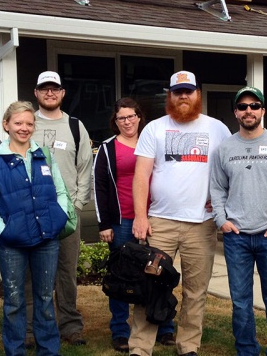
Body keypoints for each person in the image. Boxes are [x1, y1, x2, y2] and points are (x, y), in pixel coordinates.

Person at [130, 70, 231, 356]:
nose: (183, 96)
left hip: (201, 224)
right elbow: (141, 176)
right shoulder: (155, 128)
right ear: (170, 96)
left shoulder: (217, 129)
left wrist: (221, 201)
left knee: (196, 291)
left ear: (198, 94)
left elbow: (228, 171)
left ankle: (188, 346)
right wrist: (140, 216)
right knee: (151, 285)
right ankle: (140, 347)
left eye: (189, 91)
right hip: (160, 222)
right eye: (178, 92)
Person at [0, 101, 75, 356]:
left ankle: (48, 350)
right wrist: (4, 229)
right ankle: (15, 350)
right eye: (18, 123)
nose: (24, 128)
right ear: (6, 125)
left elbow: (60, 191)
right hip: (13, 242)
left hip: (47, 238)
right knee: (14, 300)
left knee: (45, 298)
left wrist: (59, 217)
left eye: (29, 123)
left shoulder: (43, 155)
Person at [209, 87, 267, 356]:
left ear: (263, 111)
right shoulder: (224, 148)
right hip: (237, 237)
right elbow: (218, 188)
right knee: (241, 301)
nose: (249, 111)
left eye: (254, 106)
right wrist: (221, 220)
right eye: (243, 106)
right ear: (235, 112)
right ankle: (246, 349)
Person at [93, 98, 176, 353]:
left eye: (131, 116)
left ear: (140, 117)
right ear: (115, 121)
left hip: (156, 217)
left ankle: (164, 326)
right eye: (121, 118)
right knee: (121, 275)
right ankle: (120, 330)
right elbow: (100, 187)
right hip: (122, 221)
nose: (127, 122)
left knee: (158, 274)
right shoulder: (108, 148)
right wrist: (104, 224)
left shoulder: (153, 140)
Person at [30, 70, 93, 346]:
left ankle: (69, 324)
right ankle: (33, 328)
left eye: (54, 88)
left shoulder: (76, 126)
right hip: (31, 212)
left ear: (62, 93)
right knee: (33, 271)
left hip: (66, 212)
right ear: (36, 93)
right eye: (44, 88)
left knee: (66, 271)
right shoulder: (26, 123)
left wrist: (77, 205)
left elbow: (84, 169)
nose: (50, 93)